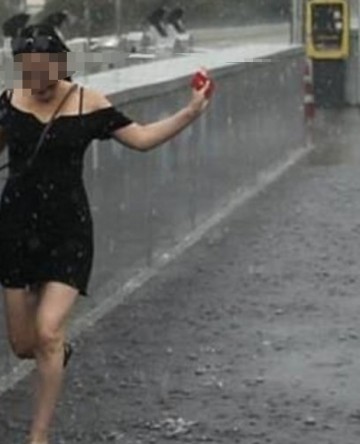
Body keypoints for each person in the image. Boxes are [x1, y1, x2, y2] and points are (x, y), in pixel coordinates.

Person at [0, 24, 212, 444]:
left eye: (42, 73)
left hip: (68, 233)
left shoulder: (88, 103)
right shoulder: (8, 103)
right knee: (24, 345)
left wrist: (190, 111)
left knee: (48, 333)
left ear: (60, 65)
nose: (35, 82)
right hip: (15, 232)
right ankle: (55, 354)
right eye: (27, 72)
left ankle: (38, 435)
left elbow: (143, 139)